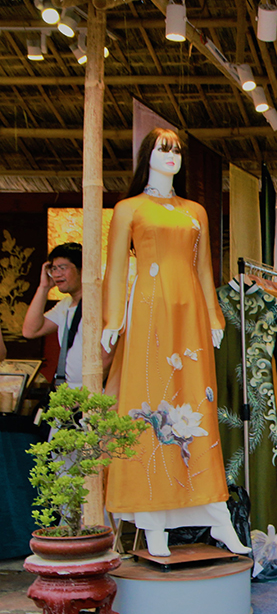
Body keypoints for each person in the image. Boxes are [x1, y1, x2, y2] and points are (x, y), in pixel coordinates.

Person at [101, 127, 249, 558]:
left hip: (190, 314)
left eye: (177, 150)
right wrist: (113, 318)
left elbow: (204, 269)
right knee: (149, 405)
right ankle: (153, 524)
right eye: (163, 149)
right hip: (148, 308)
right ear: (147, 155)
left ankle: (216, 516)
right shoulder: (129, 209)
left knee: (196, 405)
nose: (172, 156)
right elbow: (114, 269)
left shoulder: (195, 211)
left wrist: (214, 314)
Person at [22, 243, 85, 388]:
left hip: (91, 391)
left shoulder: (99, 303)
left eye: (63, 268)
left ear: (82, 269)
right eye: (54, 269)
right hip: (67, 390)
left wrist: (84, 394)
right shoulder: (65, 304)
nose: (57, 274)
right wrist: (44, 287)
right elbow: (30, 331)